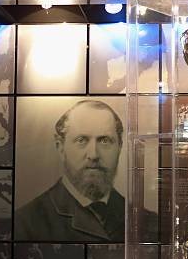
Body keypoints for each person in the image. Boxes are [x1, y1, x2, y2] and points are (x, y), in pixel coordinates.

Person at [15, 100, 135, 242]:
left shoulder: (144, 221)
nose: (94, 155)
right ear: (60, 147)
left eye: (104, 140)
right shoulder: (25, 224)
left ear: (120, 147)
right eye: (81, 140)